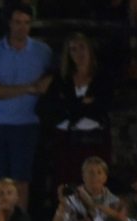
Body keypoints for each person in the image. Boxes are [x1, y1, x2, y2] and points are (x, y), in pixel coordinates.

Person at [0, 2, 53, 212]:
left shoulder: (42, 51)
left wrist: (46, 81)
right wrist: (28, 88)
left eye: (26, 23)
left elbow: (56, 73)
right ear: (9, 24)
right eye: (18, 22)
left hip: (26, 123)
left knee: (22, 181)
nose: (22, 27)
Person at [46, 33, 113, 189]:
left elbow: (103, 106)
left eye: (82, 47)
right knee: (67, 183)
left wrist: (72, 105)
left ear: (89, 49)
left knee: (95, 184)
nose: (79, 53)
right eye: (73, 49)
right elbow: (55, 107)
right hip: (67, 138)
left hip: (94, 138)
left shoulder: (102, 77)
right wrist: (83, 103)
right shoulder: (62, 79)